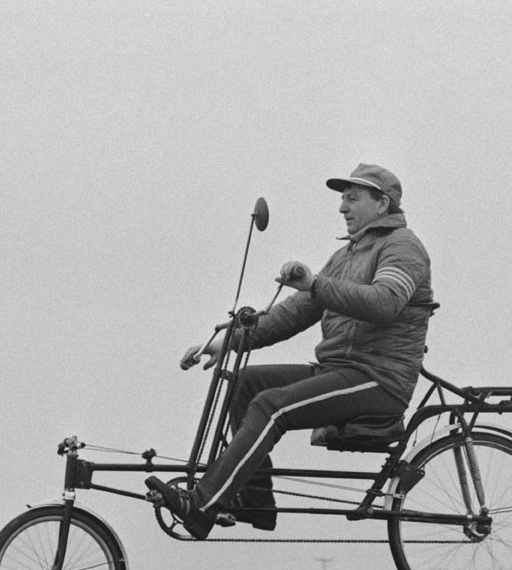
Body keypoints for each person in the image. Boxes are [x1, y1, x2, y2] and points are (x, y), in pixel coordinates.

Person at [146, 163, 435, 540]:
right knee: (242, 383)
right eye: (342, 199)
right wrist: (227, 342)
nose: (342, 208)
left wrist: (316, 284)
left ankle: (202, 505)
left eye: (352, 198)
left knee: (272, 406)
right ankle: (256, 500)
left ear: (383, 204)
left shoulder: (404, 247)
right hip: (340, 370)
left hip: (378, 379)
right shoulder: (348, 255)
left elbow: (384, 303)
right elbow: (295, 312)